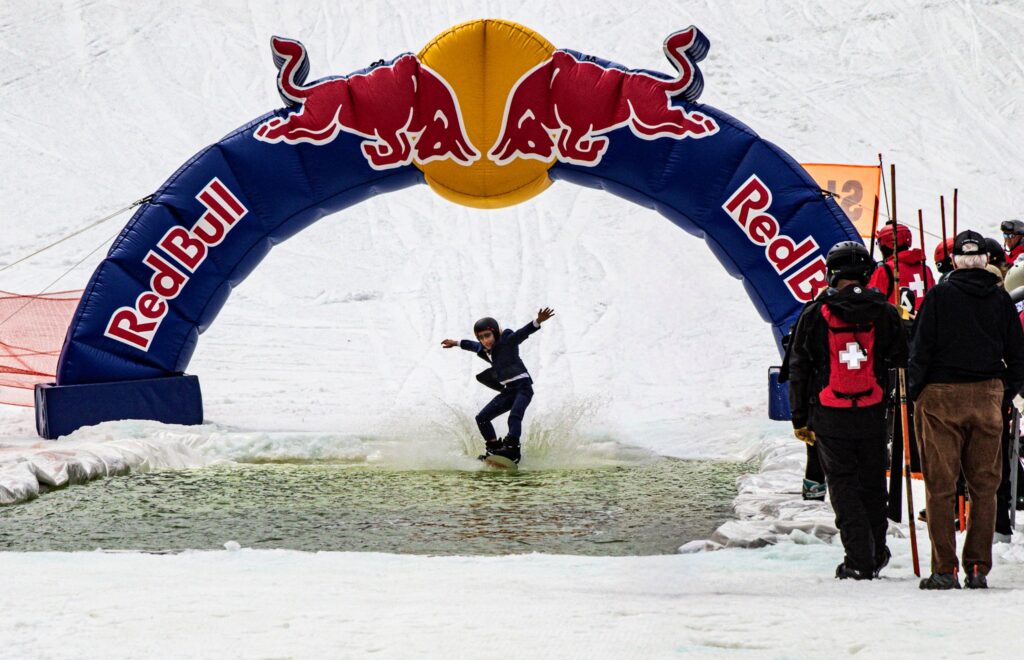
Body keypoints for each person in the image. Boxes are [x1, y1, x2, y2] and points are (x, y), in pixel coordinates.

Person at [785, 241, 908, 580]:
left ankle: (858, 560)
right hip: (873, 412)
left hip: (830, 415)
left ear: (831, 272)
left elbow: (799, 367)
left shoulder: (815, 313)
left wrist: (799, 417)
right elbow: (901, 356)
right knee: (873, 485)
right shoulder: (885, 312)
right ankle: (876, 552)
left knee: (843, 487)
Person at [909, 230, 1024, 590]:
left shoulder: (939, 296)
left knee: (940, 487)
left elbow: (920, 349)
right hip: (987, 394)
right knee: (985, 486)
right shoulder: (1000, 298)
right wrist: (1003, 394)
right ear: (986, 260)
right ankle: (977, 567)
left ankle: (945, 569)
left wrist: (916, 392)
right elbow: (1017, 354)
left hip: (940, 397)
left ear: (955, 261)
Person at [441, 308, 555, 463]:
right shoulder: (484, 349)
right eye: (481, 337)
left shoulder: (507, 341)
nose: (485, 340)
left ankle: (512, 449)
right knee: (482, 418)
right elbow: (472, 345)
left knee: (514, 416)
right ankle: (494, 448)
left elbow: (521, 334)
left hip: (523, 388)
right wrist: (455, 343)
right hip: (509, 391)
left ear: (495, 333)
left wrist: (538, 321)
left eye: (487, 335)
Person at [868, 222, 935, 313]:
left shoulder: (885, 270)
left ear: (885, 245)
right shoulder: (926, 269)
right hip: (925, 320)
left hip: (898, 320)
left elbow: (872, 304)